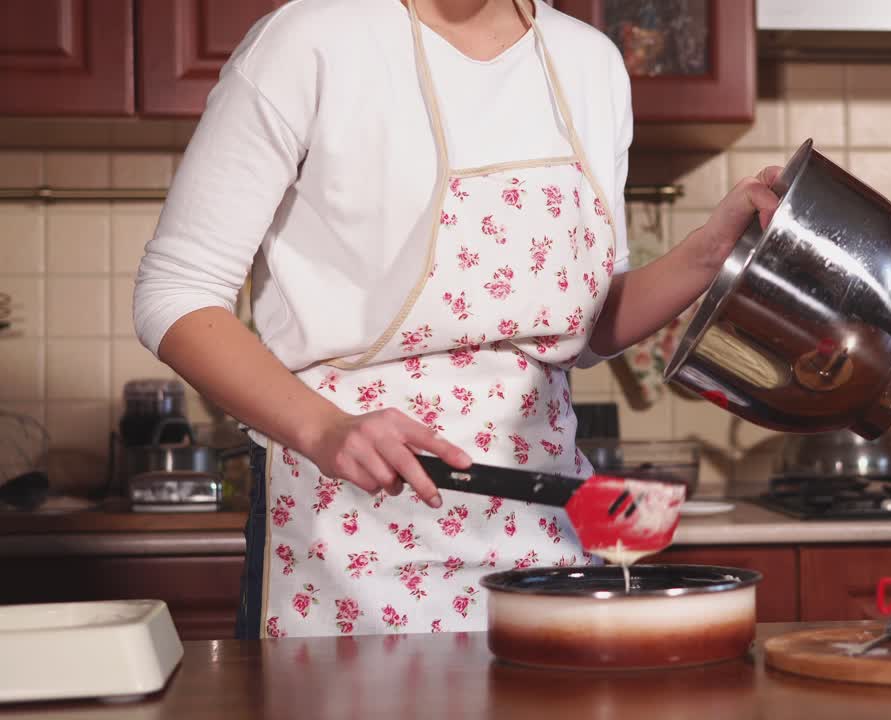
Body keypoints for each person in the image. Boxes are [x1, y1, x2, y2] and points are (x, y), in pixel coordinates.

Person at [134, 0, 779, 639]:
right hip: (350, 532)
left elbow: (581, 328)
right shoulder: (310, 41)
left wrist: (711, 251)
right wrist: (326, 429)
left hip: (542, 533)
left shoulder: (591, 63)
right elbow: (175, 290)